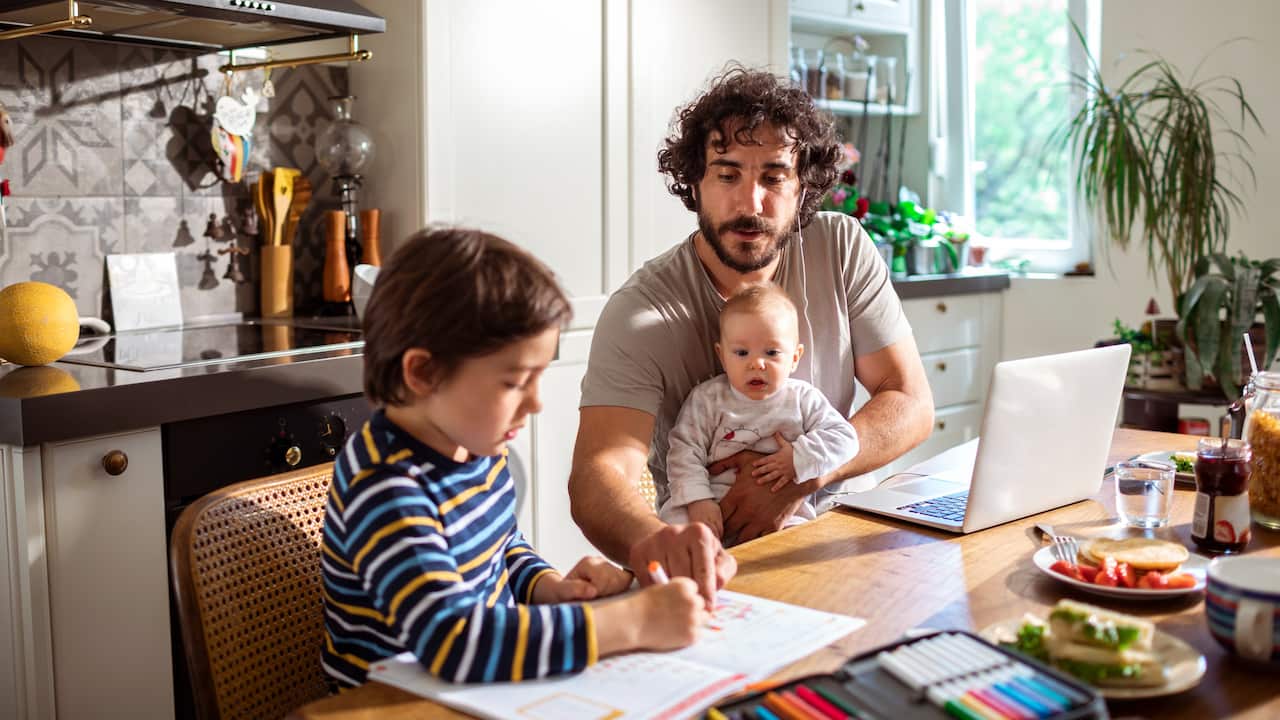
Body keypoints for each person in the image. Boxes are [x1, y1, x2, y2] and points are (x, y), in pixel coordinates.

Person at [568, 66, 935, 605]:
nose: (751, 203)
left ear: (802, 184)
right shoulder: (641, 311)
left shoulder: (842, 247)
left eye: (773, 176)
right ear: (694, 181)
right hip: (718, 555)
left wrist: (797, 476)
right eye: (727, 174)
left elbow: (910, 402)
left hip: (842, 530)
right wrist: (665, 546)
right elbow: (599, 473)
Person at [321, 227, 705, 688]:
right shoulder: (386, 489)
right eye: (513, 382)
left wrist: (548, 589)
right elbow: (454, 639)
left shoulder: (476, 447)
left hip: (477, 688)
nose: (537, 403)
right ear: (423, 373)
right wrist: (630, 623)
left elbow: (501, 548)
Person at [660, 283, 861, 536]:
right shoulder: (707, 398)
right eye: (742, 352)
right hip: (709, 501)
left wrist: (798, 458)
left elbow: (845, 438)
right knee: (673, 532)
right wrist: (698, 500)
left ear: (795, 357)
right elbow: (683, 451)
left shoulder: (802, 398)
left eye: (772, 352)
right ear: (722, 356)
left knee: (799, 541)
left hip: (781, 508)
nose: (756, 363)